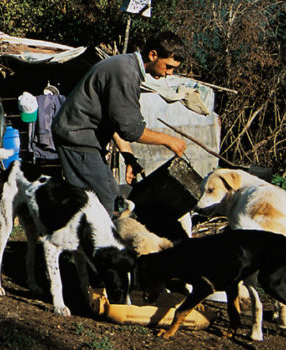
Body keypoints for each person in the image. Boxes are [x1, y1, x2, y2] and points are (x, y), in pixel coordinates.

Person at [50, 32, 188, 214]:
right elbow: (131, 129)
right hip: (76, 137)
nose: (169, 73)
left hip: (84, 138)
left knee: (114, 196)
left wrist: (128, 156)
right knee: (101, 201)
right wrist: (169, 140)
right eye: (168, 67)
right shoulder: (125, 73)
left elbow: (115, 120)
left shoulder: (127, 67)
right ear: (153, 55)